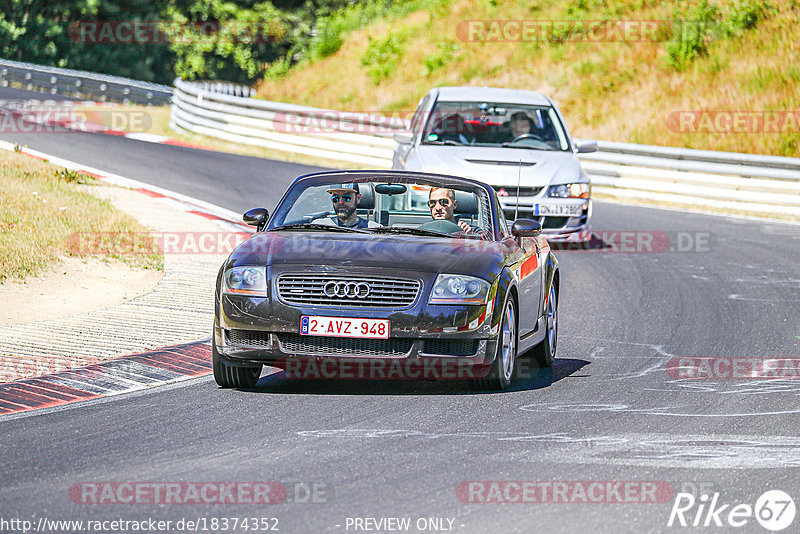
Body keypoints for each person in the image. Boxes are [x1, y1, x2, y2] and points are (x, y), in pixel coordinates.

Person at [313, 183, 381, 229]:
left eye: (346, 197)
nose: (340, 202)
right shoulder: (321, 227)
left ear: (358, 198)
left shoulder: (373, 229)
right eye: (335, 198)